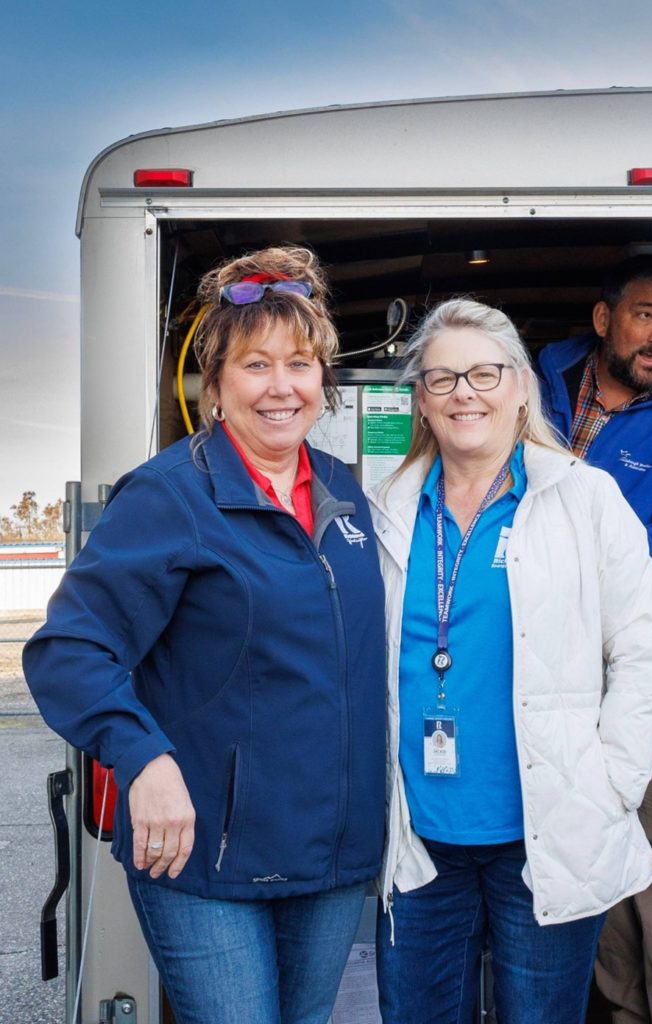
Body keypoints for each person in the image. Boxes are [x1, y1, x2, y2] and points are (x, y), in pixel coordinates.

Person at [23, 245, 386, 1024]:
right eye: (256, 365)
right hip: (209, 861)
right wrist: (142, 756)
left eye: (300, 363)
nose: (281, 387)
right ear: (216, 383)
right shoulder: (170, 496)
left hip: (332, 855)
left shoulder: (345, 493)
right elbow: (69, 651)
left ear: (324, 376)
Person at [367, 297, 652, 1024]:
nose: (464, 393)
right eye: (442, 379)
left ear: (519, 386)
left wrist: (616, 784)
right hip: (419, 846)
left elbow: (643, 644)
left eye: (483, 373)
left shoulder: (584, 498)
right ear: (420, 400)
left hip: (546, 836)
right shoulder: (387, 508)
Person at [537, 257, 652, 1024]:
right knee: (587, 847)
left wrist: (562, 571)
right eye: (646, 316)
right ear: (605, 320)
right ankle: (623, 1014)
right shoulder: (542, 379)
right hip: (550, 668)